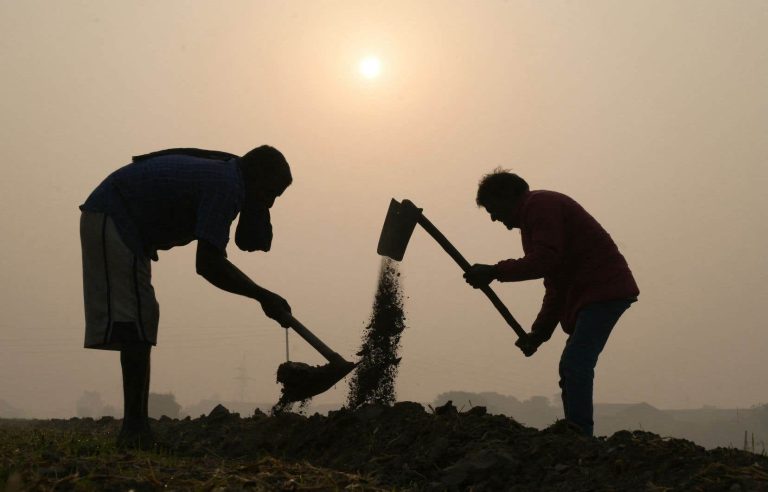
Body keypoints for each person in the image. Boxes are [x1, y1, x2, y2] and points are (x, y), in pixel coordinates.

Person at [79, 146, 293, 448]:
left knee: (141, 318)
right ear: (256, 177)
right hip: (114, 213)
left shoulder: (230, 176)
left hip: (120, 219)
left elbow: (241, 242)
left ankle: (136, 428)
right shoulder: (228, 184)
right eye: (271, 193)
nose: (269, 202)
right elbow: (207, 264)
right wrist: (262, 296)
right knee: (136, 319)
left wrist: (257, 212)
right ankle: (134, 430)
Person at [463, 169, 639, 436]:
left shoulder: (540, 206)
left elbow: (545, 261)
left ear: (508, 196)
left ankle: (579, 435)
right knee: (572, 364)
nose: (493, 217)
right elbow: (555, 284)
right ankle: (576, 432)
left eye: (492, 208)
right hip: (593, 293)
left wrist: (494, 271)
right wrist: (539, 333)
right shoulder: (535, 216)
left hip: (603, 290)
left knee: (576, 363)